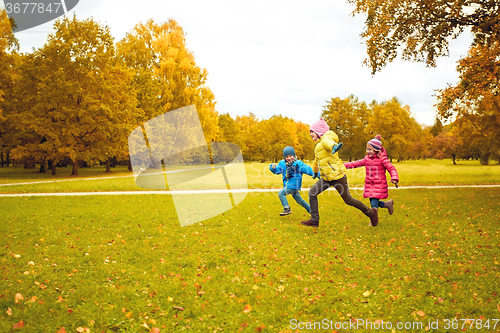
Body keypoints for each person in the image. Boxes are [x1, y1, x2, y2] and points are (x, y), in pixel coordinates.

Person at [301, 118, 378, 227]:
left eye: (312, 132)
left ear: (319, 132)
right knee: (312, 193)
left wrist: (334, 147)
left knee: (348, 200)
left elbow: (329, 143)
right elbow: (316, 160)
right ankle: (314, 220)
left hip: (337, 177)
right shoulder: (318, 146)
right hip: (326, 178)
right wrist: (314, 172)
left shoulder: (325, 140)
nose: (310, 134)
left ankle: (371, 213)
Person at [344, 135, 399, 223]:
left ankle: (373, 221)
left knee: (373, 203)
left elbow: (391, 168)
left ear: (376, 150)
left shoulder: (383, 159)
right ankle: (387, 204)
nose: (368, 151)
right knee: (373, 202)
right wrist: (343, 166)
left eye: (370, 149)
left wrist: (394, 177)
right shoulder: (367, 159)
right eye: (367, 149)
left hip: (379, 185)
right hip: (370, 185)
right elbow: (356, 163)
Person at [270, 146, 316, 216]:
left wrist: (317, 174)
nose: (289, 158)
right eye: (287, 157)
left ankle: (287, 208)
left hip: (293, 185)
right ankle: (311, 210)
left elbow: (308, 169)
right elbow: (277, 171)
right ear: (284, 157)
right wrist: (272, 168)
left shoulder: (298, 164)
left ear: (294, 155)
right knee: (299, 200)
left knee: (281, 193)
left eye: (291, 156)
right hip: (289, 185)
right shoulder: (283, 164)